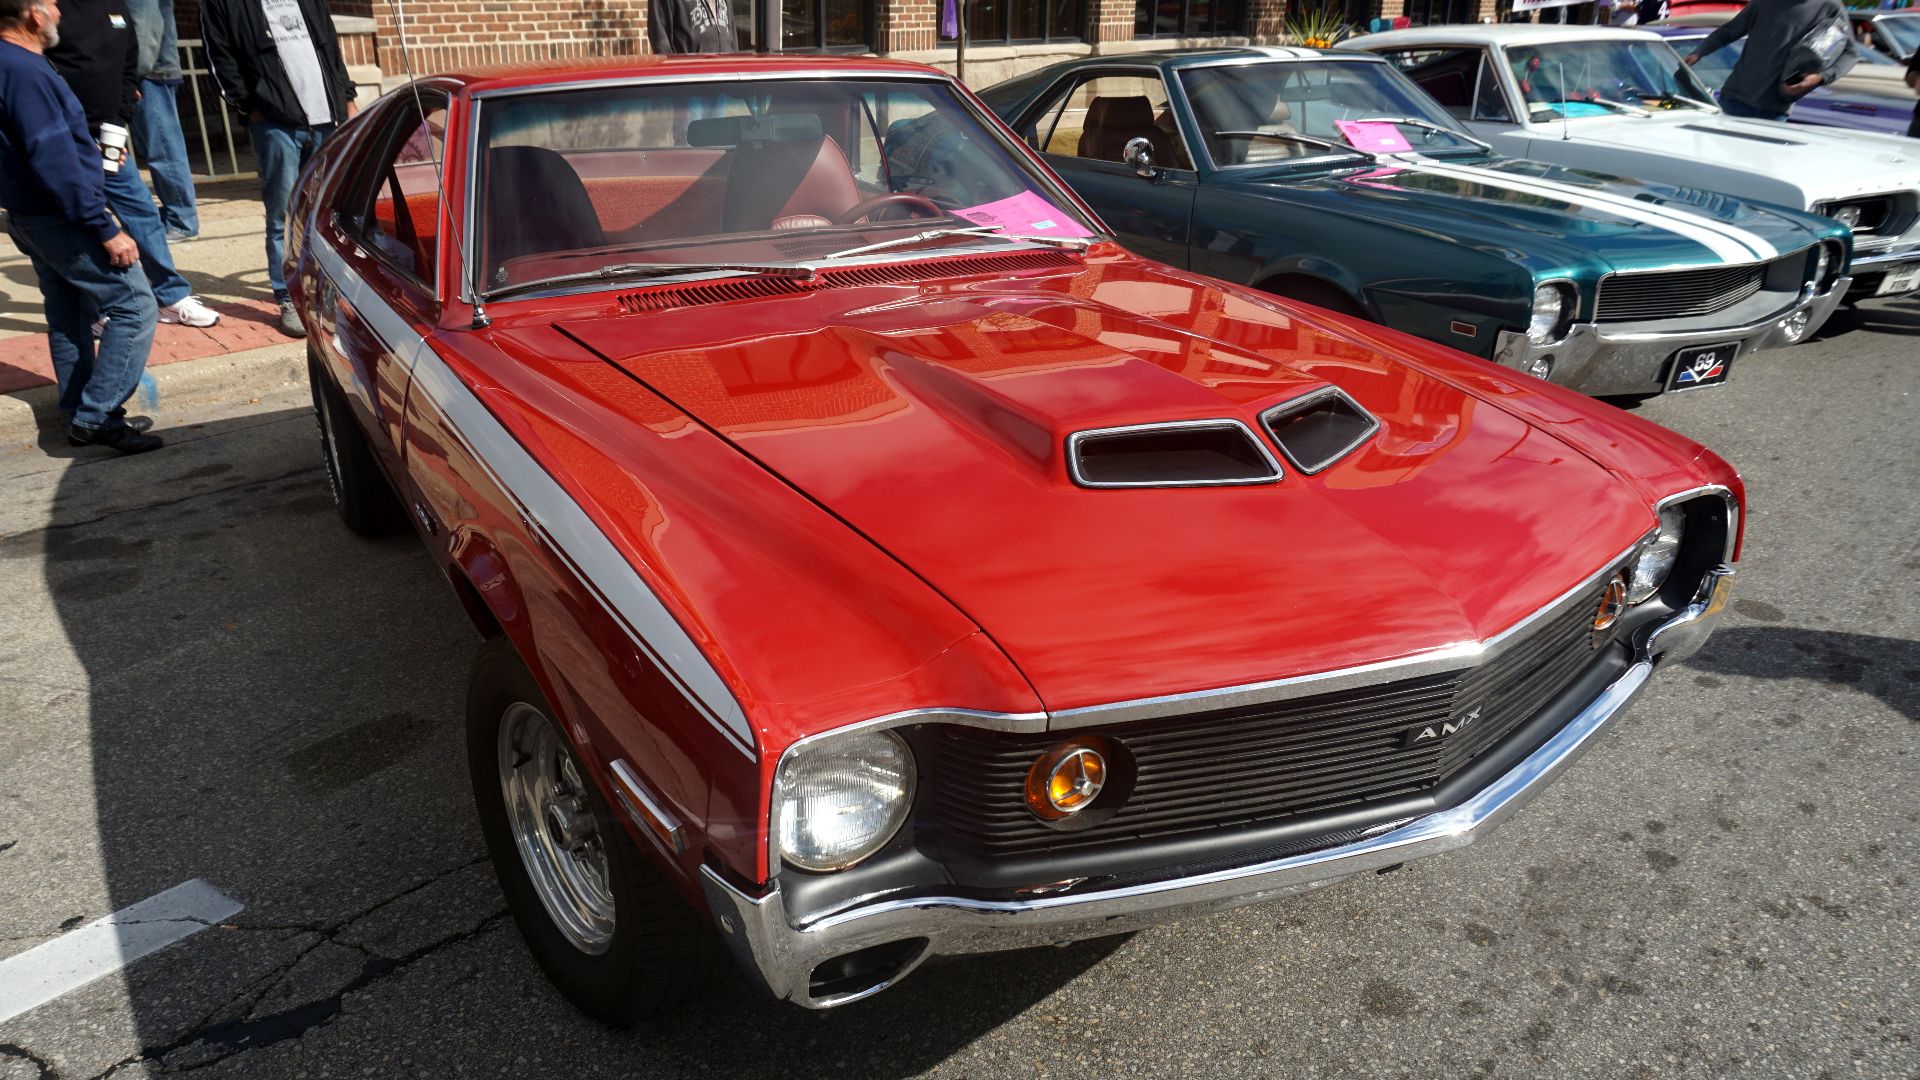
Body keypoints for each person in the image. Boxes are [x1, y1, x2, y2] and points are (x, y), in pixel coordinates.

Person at [1, 0, 163, 452]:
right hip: (60, 216)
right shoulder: (25, 71)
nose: (59, 11)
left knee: (70, 312)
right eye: (52, 4)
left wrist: (91, 151)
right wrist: (104, 227)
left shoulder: (16, 64)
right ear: (33, 14)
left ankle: (79, 407)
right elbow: (51, 156)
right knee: (135, 306)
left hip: (33, 213)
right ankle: (95, 417)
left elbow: (41, 144)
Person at [46, 0, 219, 329]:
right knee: (78, 225)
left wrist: (118, 120)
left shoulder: (114, 6)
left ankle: (170, 296)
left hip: (109, 137)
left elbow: (130, 62)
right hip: (66, 141)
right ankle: (95, 312)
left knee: (142, 211)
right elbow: (41, 74)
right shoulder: (49, 9)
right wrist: (76, 134)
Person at [199, 0, 355, 338]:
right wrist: (250, 105)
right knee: (283, 214)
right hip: (275, 124)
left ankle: (328, 287)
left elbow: (330, 46)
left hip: (326, 120)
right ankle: (288, 294)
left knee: (328, 211)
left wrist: (347, 96)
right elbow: (219, 58)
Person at [1684, 0, 1851, 121]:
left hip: (1775, 109)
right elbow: (1730, 31)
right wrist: (1699, 52)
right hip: (1734, 100)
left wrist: (1820, 78)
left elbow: (1850, 53)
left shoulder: (1831, 6)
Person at [126, 0, 196, 240]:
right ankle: (177, 217)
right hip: (151, 72)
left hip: (150, 74)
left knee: (163, 150)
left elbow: (145, 26)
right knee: (160, 148)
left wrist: (134, 74)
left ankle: (181, 221)